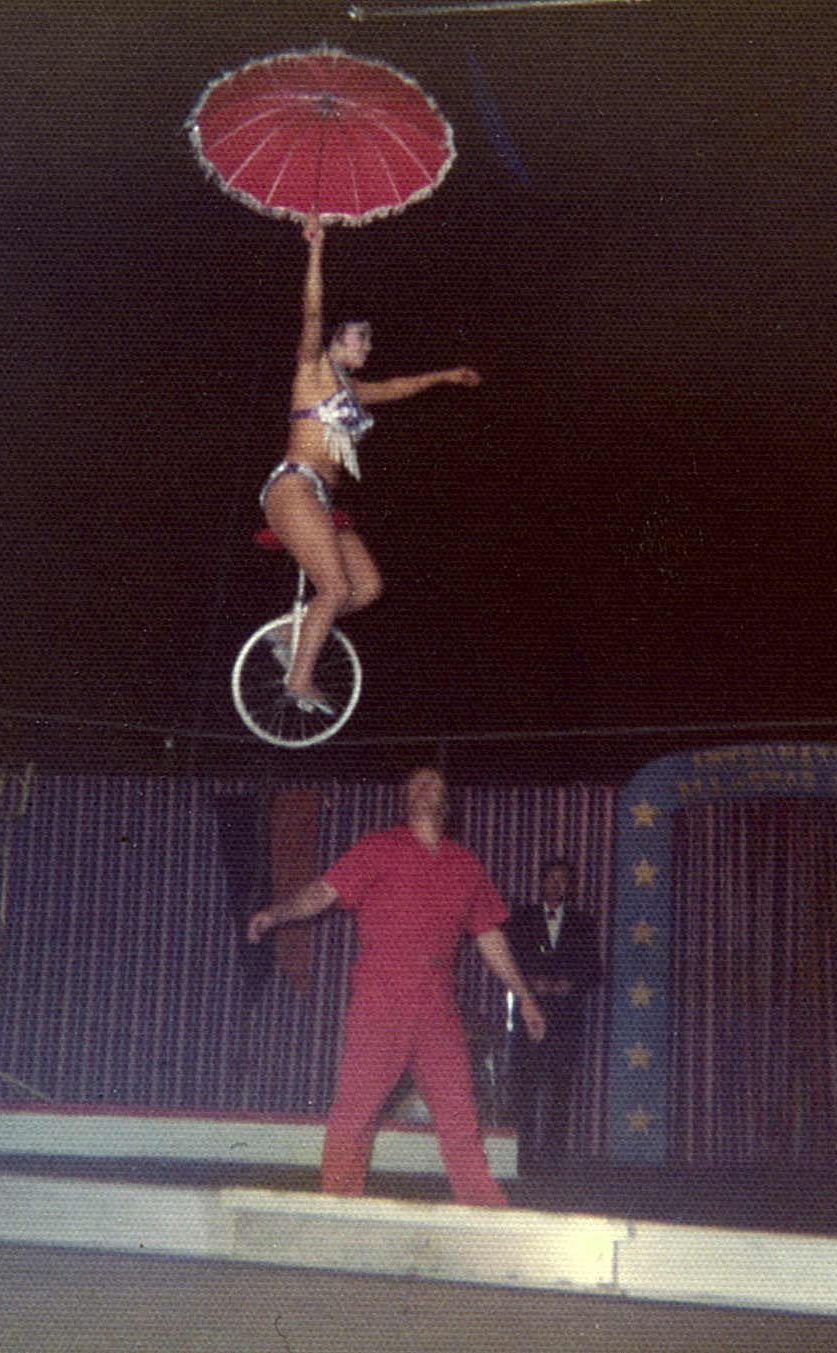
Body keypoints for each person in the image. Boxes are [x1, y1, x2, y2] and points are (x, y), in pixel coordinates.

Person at [247, 767, 545, 1207]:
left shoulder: (466, 864)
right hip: (381, 991)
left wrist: (525, 997)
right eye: (414, 783)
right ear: (405, 799)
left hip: (438, 1001)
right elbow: (323, 892)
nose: (423, 786)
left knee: (460, 1113)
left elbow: (489, 937)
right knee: (357, 1107)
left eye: (434, 781)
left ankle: (487, 1214)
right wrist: (277, 914)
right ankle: (337, 1208)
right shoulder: (378, 847)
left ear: (448, 801)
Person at [258, 217, 483, 715]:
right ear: (337, 341)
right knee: (335, 588)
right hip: (293, 488)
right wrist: (315, 250)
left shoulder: (354, 390)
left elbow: (398, 386)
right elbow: (312, 312)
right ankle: (297, 680)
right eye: (362, 338)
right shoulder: (313, 369)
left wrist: (445, 375)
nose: (369, 346)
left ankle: (287, 633)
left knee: (367, 588)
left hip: (320, 497)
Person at [502, 859, 603, 1170]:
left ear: (570, 887)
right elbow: (508, 960)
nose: (557, 885)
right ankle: (522, 1158)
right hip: (529, 1019)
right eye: (552, 879)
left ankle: (554, 1162)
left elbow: (595, 971)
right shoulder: (522, 919)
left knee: (561, 1091)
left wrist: (569, 983)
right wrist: (531, 981)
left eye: (564, 880)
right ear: (541, 882)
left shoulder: (584, 923)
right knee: (525, 1088)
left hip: (566, 1021)